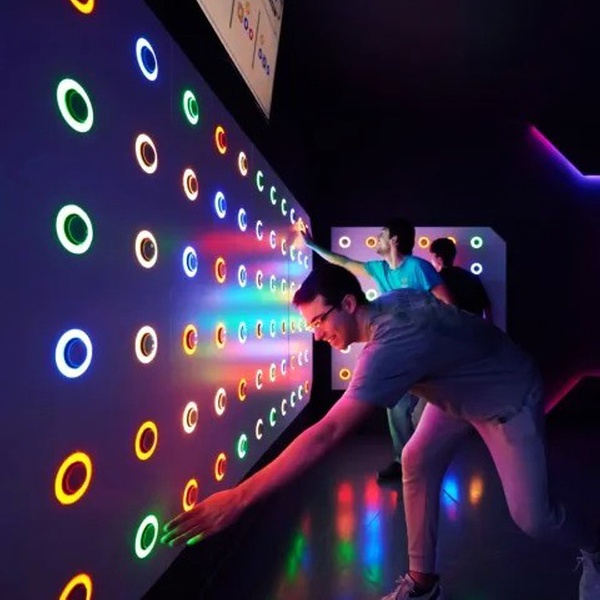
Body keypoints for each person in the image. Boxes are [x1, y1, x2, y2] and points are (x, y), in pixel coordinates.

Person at [160, 263, 600, 600]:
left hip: (508, 395)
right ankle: (422, 584)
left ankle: (596, 547)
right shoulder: (390, 303)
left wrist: (238, 499)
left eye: (318, 321)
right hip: (458, 388)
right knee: (415, 458)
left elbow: (328, 433)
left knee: (533, 517)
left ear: (349, 304)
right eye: (310, 326)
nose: (317, 334)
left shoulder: (388, 345)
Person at [301, 218, 453, 482]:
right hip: (399, 351)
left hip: (427, 350)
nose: (377, 239)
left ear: (394, 240)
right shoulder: (379, 268)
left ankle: (423, 460)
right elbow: (343, 262)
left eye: (382, 235)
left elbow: (447, 303)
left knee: (424, 412)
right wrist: (313, 245)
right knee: (396, 408)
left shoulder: (418, 267)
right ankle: (402, 461)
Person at [429, 237, 493, 322]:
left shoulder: (435, 281)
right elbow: (486, 305)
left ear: (438, 258)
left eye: (432, 256)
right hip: (471, 325)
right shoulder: (470, 276)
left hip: (448, 326)